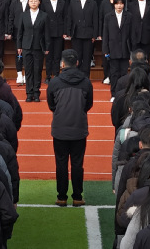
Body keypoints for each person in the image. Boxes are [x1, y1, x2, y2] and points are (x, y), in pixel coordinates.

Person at [46, 50, 94, 207]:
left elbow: (51, 104)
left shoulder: (55, 82)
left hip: (60, 129)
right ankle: (77, 197)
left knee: (61, 164)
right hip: (79, 128)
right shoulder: (86, 82)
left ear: (62, 64)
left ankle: (61, 197)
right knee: (77, 164)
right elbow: (88, 105)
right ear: (77, 63)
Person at [16, 0, 49, 103]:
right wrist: (19, 46)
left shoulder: (44, 15)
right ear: (28, 2)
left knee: (37, 70)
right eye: (31, 1)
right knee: (28, 70)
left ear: (39, 2)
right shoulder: (23, 15)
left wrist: (47, 47)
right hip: (26, 46)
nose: (33, 3)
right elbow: (20, 32)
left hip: (39, 46)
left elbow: (47, 33)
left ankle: (36, 93)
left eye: (35, 1)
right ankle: (29, 93)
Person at [102, 0, 133, 100]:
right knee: (114, 73)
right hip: (113, 49)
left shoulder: (129, 16)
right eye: (117, 4)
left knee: (124, 73)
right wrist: (105, 50)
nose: (119, 6)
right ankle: (114, 94)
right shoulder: (108, 16)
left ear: (124, 4)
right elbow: (105, 34)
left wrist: (132, 50)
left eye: (121, 3)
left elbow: (132, 34)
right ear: (114, 4)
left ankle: (124, 94)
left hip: (125, 49)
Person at [65, 0, 99, 76]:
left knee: (87, 57)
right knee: (77, 56)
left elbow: (95, 20)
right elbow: (69, 18)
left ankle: (86, 77)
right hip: (76, 33)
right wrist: (68, 32)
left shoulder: (93, 3)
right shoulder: (73, 2)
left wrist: (94, 35)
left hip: (89, 34)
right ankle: (77, 76)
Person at [41, 0, 67, 83]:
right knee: (48, 55)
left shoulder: (63, 2)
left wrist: (65, 32)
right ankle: (48, 75)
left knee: (57, 55)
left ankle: (56, 74)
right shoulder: (44, 2)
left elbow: (66, 17)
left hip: (59, 32)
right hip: (47, 32)